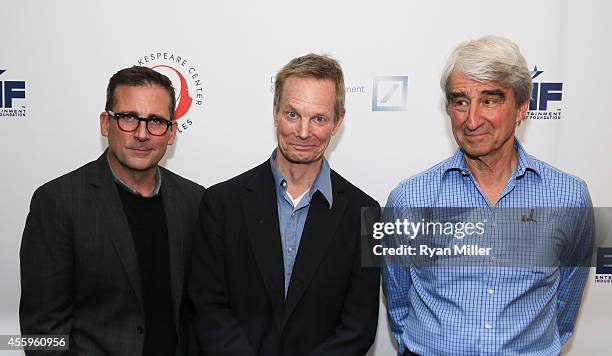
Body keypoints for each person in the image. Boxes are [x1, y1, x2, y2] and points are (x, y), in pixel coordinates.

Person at [383, 36, 593, 355]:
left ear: (522, 106)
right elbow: (398, 304)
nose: (472, 120)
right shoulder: (409, 199)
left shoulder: (569, 198)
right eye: (460, 101)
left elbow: (564, 308)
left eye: (489, 101)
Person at [190, 53, 380, 356]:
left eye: (319, 118)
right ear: (275, 112)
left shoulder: (366, 214)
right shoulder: (221, 204)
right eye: (292, 115)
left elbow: (359, 327)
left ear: (338, 121)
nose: (303, 132)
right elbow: (208, 307)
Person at [20, 66, 204, 356]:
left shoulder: (195, 201)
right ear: (106, 124)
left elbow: (200, 313)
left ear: (171, 133)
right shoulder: (58, 202)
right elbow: (41, 334)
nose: (142, 134)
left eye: (155, 121)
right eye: (129, 118)